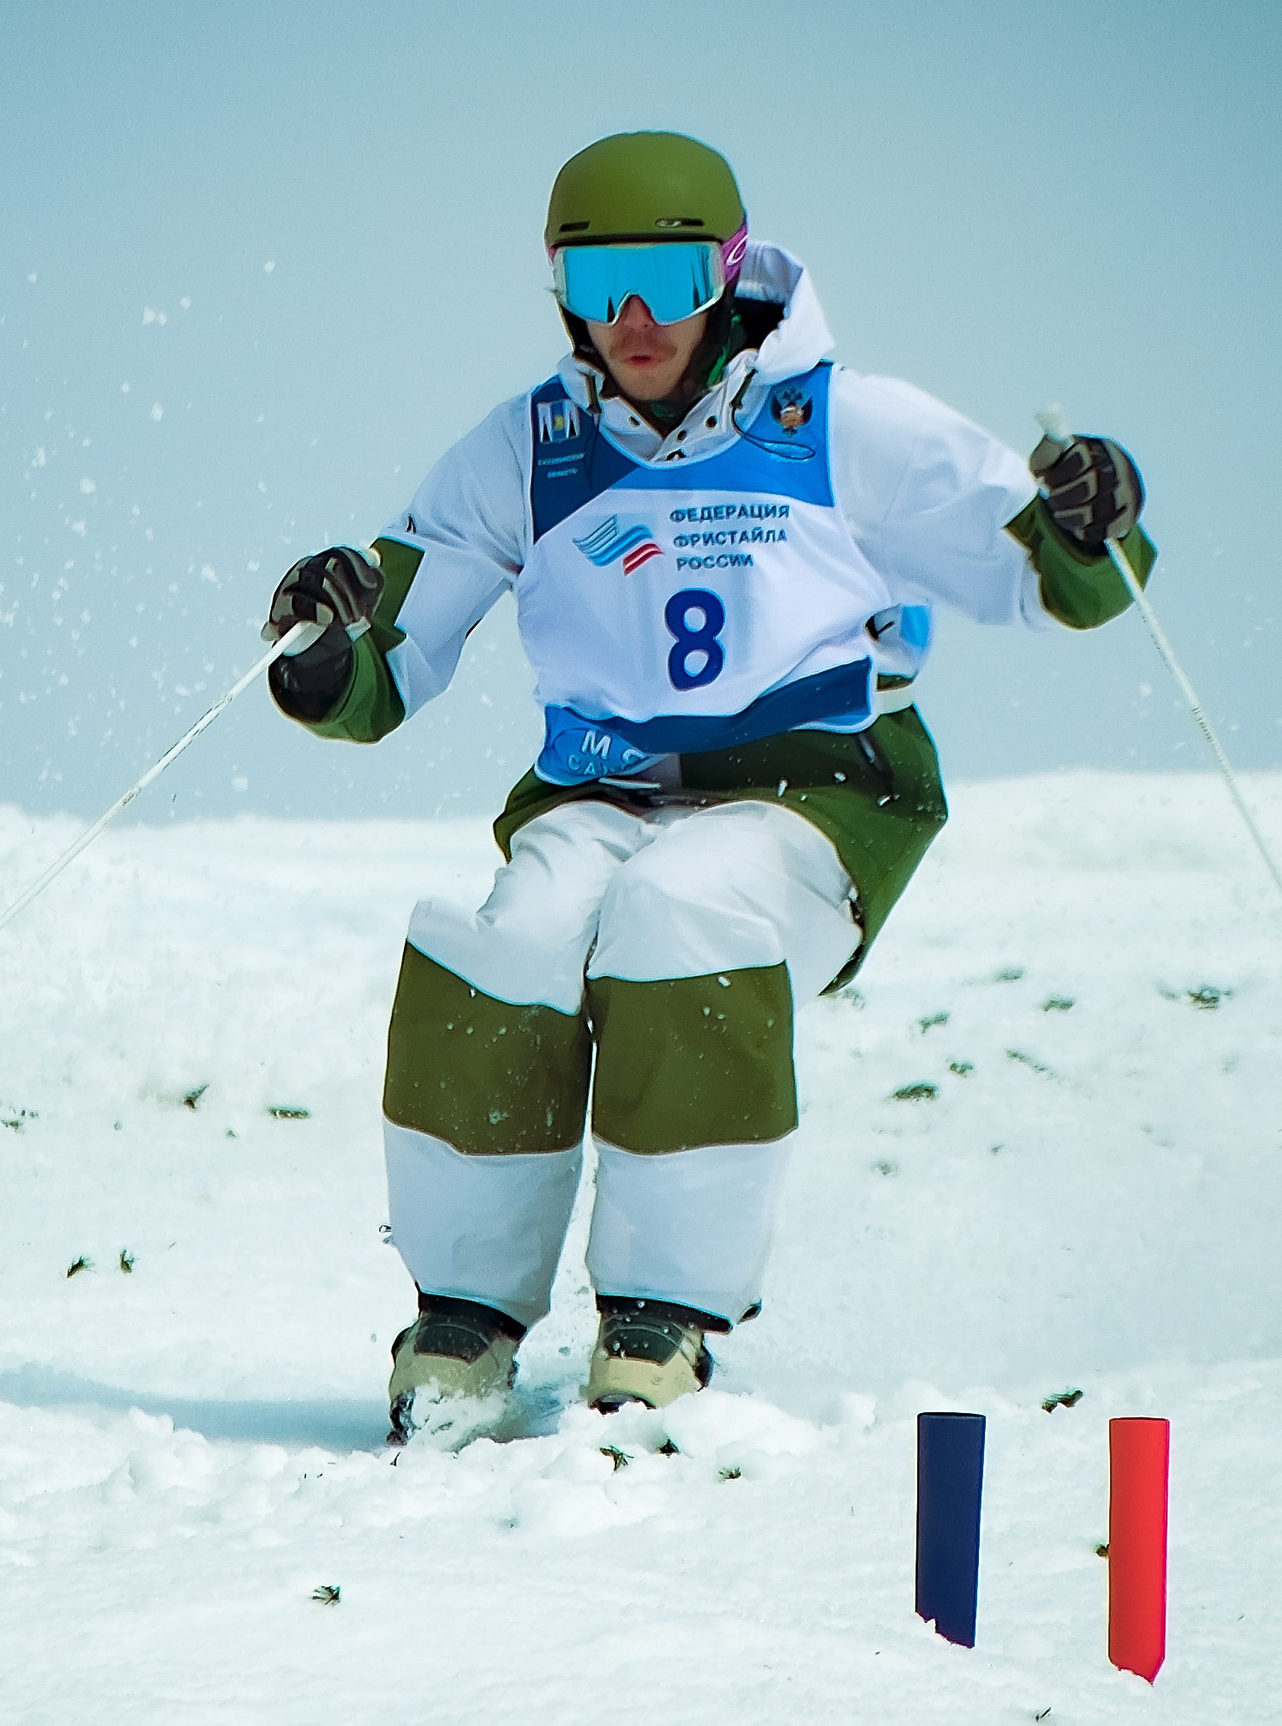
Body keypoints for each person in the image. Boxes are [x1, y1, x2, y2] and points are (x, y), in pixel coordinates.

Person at [262, 131, 1154, 1443]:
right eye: (598, 277)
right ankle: (464, 1317)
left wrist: (1089, 524)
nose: (634, 317)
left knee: (685, 905)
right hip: (606, 792)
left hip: (818, 798)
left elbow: (1042, 574)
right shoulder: (532, 449)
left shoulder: (844, 424)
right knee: (516, 934)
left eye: (670, 278)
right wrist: (328, 647)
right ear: (558, 286)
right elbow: (394, 648)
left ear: (730, 275)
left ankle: (659, 1320)